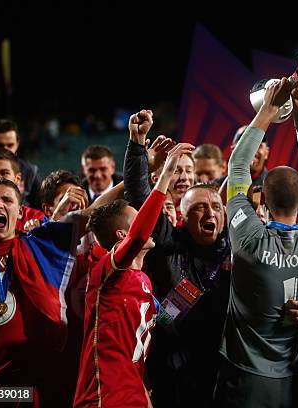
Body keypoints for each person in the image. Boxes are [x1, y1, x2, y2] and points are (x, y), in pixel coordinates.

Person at [215, 76, 298, 407]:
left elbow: (238, 165)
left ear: (261, 198)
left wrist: (268, 108)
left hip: (247, 376)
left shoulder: (248, 238)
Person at [0, 177, 122, 406]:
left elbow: (93, 213)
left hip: (25, 384)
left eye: (7, 200)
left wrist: (139, 165)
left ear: (20, 211)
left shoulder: (39, 244)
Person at [123, 109, 231, 407]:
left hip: (225, 371)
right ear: (182, 216)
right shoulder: (169, 244)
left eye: (216, 207)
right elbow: (139, 196)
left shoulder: (237, 247)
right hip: (175, 372)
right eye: (199, 208)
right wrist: (136, 144)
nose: (210, 213)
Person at [74, 136, 191, 407]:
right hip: (103, 396)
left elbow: (154, 328)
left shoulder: (144, 279)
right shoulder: (105, 272)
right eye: (137, 216)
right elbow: (138, 236)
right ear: (122, 235)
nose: (146, 219)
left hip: (134, 394)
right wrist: (165, 176)